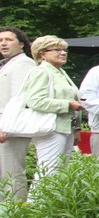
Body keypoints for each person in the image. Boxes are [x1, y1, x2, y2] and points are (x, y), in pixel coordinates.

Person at [20, 36, 83, 178]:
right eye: (57, 50)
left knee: (59, 172)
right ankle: (38, 194)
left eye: (64, 50)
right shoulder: (41, 71)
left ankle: (51, 195)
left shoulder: (60, 72)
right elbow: (35, 101)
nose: (63, 53)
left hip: (65, 128)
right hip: (50, 128)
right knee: (48, 172)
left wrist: (77, 128)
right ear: (42, 54)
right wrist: (67, 104)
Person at [0, 27, 37, 199]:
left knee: (12, 172)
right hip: (5, 125)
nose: (3, 43)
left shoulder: (23, 63)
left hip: (10, 127)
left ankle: (16, 211)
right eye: (1, 40)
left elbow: (19, 98)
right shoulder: (8, 64)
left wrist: (5, 126)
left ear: (21, 44)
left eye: (8, 39)